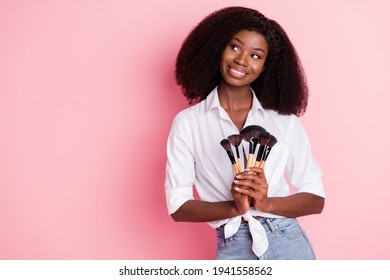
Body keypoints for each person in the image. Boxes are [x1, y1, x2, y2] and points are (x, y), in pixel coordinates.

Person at [164, 6, 326, 260]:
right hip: (233, 244)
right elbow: (178, 207)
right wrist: (235, 207)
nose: (241, 61)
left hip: (287, 242)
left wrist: (266, 202)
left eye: (256, 55)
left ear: (265, 66)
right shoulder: (188, 123)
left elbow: (316, 199)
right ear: (218, 47)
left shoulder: (284, 121)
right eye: (235, 47)